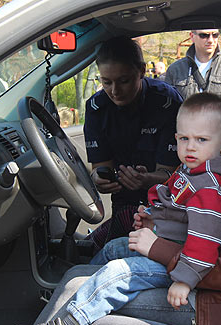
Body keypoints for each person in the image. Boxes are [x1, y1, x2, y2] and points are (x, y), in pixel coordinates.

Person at [0, 52, 221, 325]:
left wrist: (159, 248)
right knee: (83, 273)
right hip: (199, 277)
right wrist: (160, 223)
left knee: (78, 286)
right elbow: (202, 222)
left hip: (214, 301)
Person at [9, 93, 221, 325]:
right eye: (184, 138)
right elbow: (176, 208)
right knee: (114, 248)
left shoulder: (210, 189)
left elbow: (204, 244)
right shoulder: (193, 169)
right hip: (167, 246)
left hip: (179, 266)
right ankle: (86, 295)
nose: (190, 147)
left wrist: (185, 281)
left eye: (201, 140)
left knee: (117, 273)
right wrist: (152, 218)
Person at [84, 36, 182, 253]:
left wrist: (146, 180)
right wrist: (100, 181)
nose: (115, 91)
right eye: (106, 82)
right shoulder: (96, 109)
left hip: (164, 206)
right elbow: (100, 169)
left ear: (142, 71)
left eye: (124, 81)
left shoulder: (167, 103)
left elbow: (174, 175)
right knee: (94, 249)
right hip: (122, 205)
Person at [165, 29, 221, 99]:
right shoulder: (175, 69)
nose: (210, 40)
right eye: (204, 35)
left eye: (215, 35)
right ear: (192, 36)